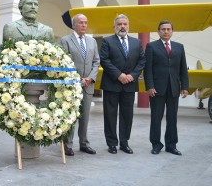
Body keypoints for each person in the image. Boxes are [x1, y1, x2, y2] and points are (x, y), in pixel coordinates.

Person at [99, 14, 145, 154]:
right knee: (110, 115)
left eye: (125, 24)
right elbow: (104, 60)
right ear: (114, 26)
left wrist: (132, 75)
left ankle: (124, 143)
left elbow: (142, 61)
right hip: (112, 84)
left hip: (129, 85)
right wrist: (119, 75)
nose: (122, 26)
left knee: (127, 115)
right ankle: (112, 143)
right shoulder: (107, 41)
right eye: (119, 24)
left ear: (128, 26)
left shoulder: (136, 42)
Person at [144, 20, 189, 156]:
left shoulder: (179, 47)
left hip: (174, 88)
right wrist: (150, 86)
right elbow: (148, 69)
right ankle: (156, 144)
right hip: (157, 89)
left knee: (172, 118)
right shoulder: (151, 47)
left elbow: (183, 69)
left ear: (172, 31)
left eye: (168, 29)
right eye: (163, 29)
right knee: (156, 118)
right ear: (158, 32)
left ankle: (171, 145)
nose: (166, 31)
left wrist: (185, 86)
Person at [59, 14, 100, 156]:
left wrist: (90, 78)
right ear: (74, 25)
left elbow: (96, 61)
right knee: (70, 116)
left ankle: (84, 143)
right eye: (81, 23)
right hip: (72, 85)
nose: (84, 25)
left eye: (86, 22)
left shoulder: (92, 41)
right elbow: (63, 62)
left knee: (85, 117)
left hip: (88, 85)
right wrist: (77, 79)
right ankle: (67, 145)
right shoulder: (65, 41)